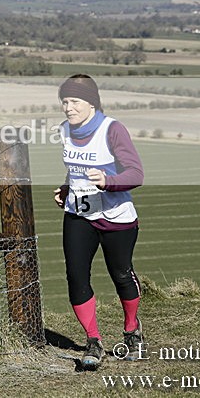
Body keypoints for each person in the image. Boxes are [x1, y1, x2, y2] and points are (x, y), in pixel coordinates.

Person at [52, 74, 145, 370]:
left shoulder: (112, 129)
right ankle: (93, 341)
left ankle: (132, 331)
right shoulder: (64, 130)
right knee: (76, 276)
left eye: (74, 101)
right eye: (64, 101)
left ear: (91, 102)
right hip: (79, 214)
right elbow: (74, 168)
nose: (68, 107)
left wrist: (108, 181)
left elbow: (136, 174)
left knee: (120, 274)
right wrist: (67, 188)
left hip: (115, 216)